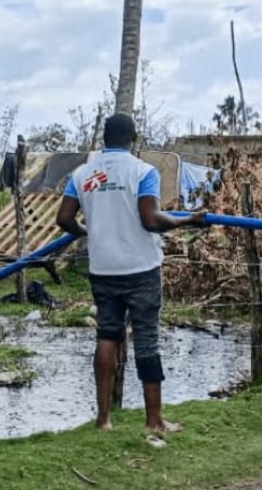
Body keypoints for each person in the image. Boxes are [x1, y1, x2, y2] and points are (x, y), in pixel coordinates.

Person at [56, 113, 207, 434]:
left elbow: (64, 219)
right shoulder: (143, 172)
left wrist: (90, 230)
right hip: (141, 268)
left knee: (107, 336)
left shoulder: (82, 174)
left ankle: (103, 419)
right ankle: (154, 420)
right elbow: (151, 219)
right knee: (147, 341)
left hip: (103, 268)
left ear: (104, 139)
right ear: (133, 139)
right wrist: (187, 220)